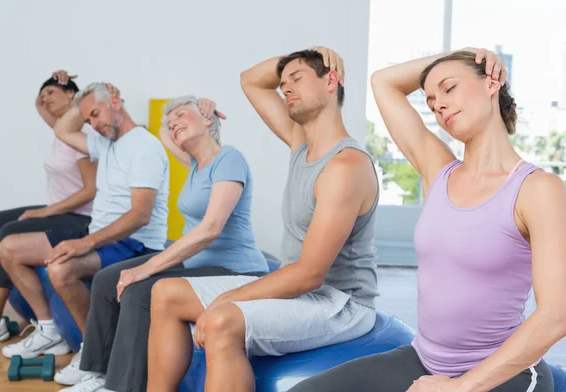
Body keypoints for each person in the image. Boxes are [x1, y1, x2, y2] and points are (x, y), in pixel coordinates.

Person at [288, 48, 566, 392]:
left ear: (493, 80)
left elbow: (556, 315)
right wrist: (457, 55)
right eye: (432, 101)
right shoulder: (439, 170)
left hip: (507, 374)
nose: (439, 106)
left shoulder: (538, 189)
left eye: (449, 88)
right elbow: (384, 83)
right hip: (423, 359)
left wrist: (458, 387)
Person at [147, 46, 380, 392]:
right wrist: (309, 53)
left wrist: (226, 300)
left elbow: (309, 274)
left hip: (339, 303)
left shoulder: (346, 166)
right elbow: (251, 81)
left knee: (223, 320)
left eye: (297, 79)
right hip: (302, 293)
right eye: (283, 82)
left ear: (332, 79)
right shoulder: (301, 144)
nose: (285, 87)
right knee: (165, 292)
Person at [59, 96, 270, 392]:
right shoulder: (196, 163)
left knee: (139, 292)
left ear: (207, 120)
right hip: (199, 264)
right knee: (108, 280)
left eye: (182, 116)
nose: (173, 126)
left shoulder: (228, 158)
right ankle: (98, 373)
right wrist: (179, 115)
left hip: (232, 269)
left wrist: (145, 269)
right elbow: (161, 133)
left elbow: (210, 229)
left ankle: (122, 387)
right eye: (171, 124)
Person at [0, 78, 170, 360]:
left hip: (134, 244)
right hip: (101, 234)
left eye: (96, 114)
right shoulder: (106, 143)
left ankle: (94, 355)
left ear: (115, 103)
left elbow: (140, 215)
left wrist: (85, 244)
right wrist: (87, 102)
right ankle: (49, 331)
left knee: (60, 270)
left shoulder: (144, 146)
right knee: (8, 248)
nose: (93, 123)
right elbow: (62, 129)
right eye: (89, 117)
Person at [0, 73, 97, 348]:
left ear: (72, 95)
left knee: (8, 232)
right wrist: (48, 89)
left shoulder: (82, 134)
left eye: (51, 92)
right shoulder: (61, 128)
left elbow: (90, 190)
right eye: (43, 94)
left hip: (82, 216)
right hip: (58, 210)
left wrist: (44, 213)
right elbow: (40, 106)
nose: (45, 99)